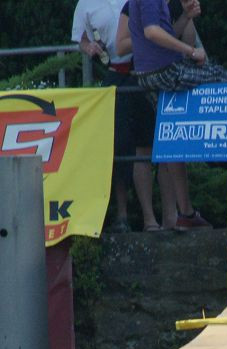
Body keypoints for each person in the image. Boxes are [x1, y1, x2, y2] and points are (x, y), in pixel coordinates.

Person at [128, 0, 227, 230]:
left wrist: (186, 17)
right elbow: (152, 32)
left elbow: (162, 35)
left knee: (172, 140)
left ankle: (185, 213)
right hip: (164, 72)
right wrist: (191, 50)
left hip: (150, 73)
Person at [71, 0, 162, 232]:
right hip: (114, 74)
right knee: (118, 145)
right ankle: (121, 215)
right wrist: (89, 47)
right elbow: (81, 39)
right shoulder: (85, 3)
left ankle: (149, 217)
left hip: (143, 71)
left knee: (145, 145)